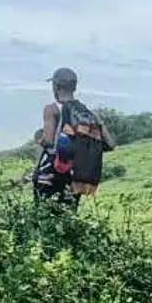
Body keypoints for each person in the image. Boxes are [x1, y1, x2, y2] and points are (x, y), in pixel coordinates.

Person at [33, 67, 115, 206]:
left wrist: (38, 137)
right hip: (75, 177)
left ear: (56, 86)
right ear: (74, 88)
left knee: (44, 217)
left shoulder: (51, 109)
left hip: (51, 173)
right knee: (69, 214)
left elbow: (48, 142)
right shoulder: (88, 113)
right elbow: (110, 144)